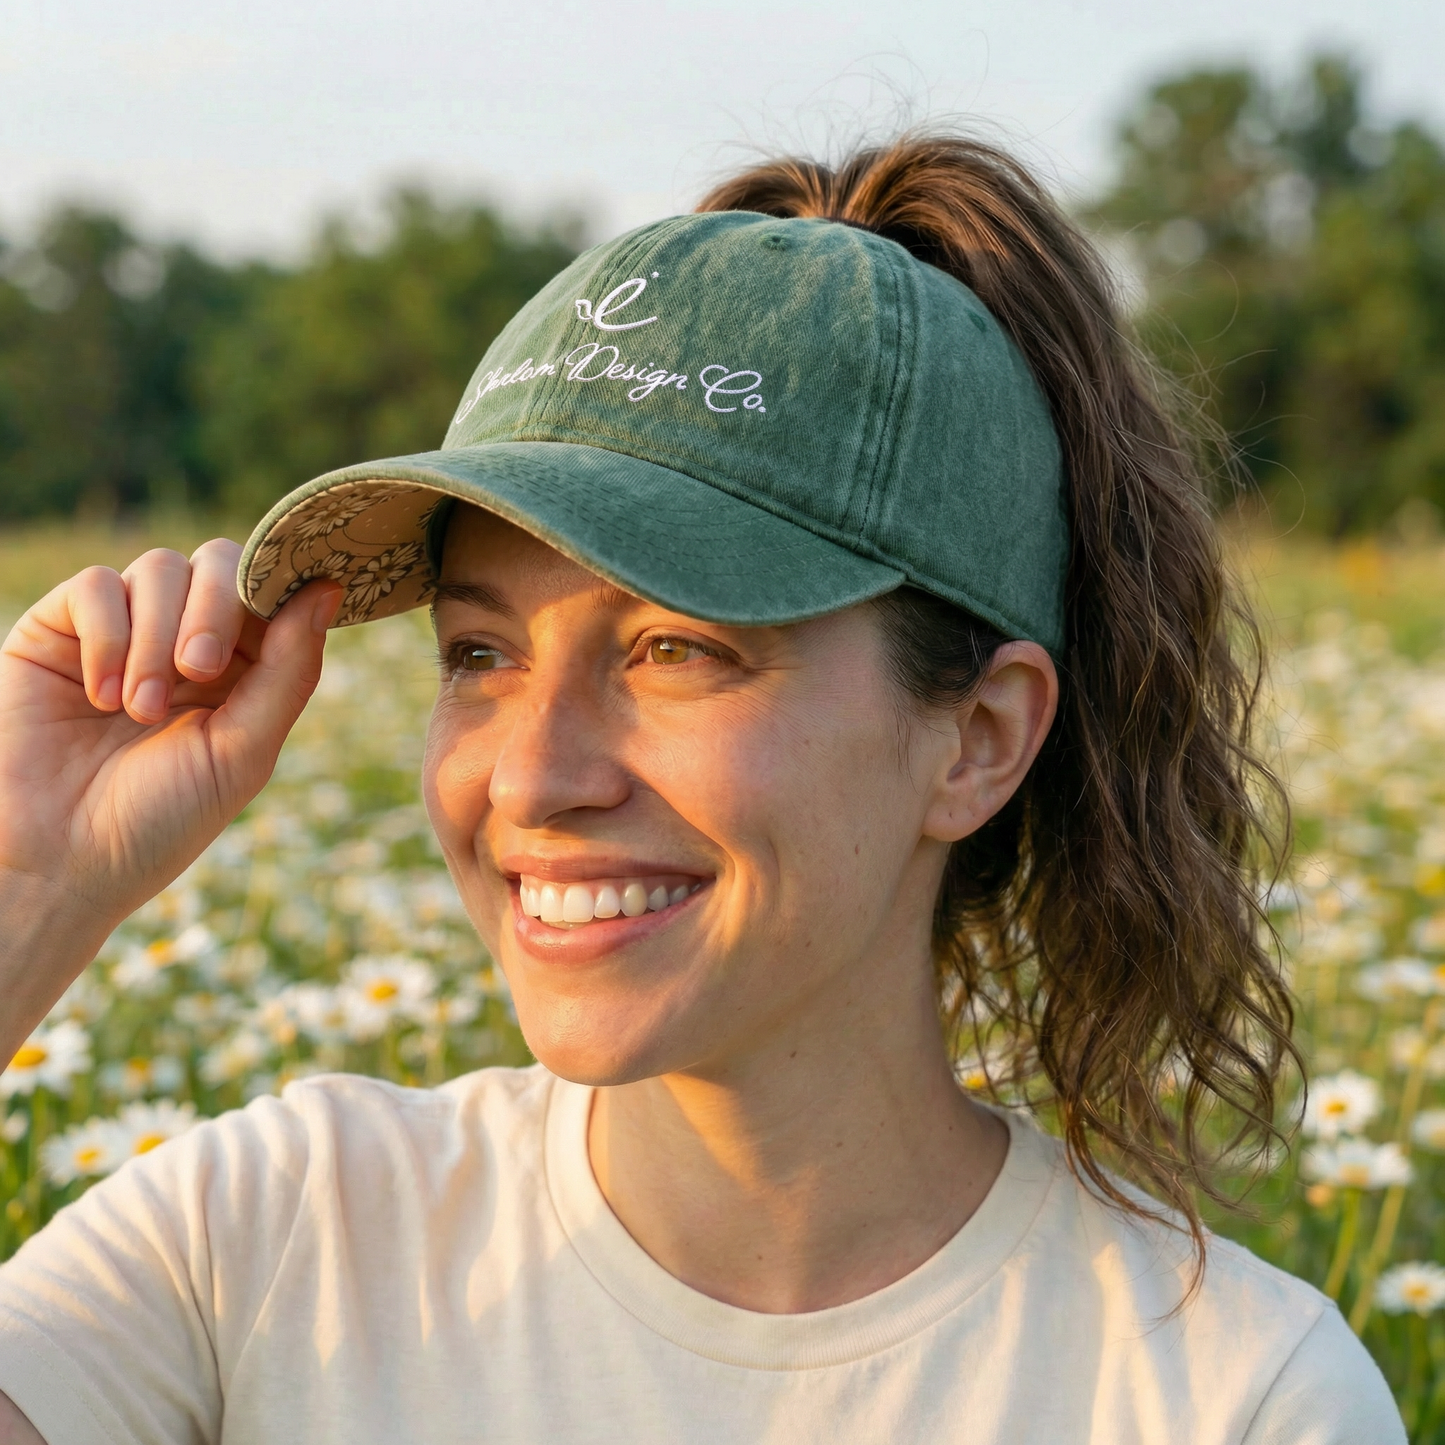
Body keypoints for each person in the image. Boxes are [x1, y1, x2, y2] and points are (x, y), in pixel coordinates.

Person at [0, 135, 1403, 1443]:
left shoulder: (1227, 1397)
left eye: (678, 649)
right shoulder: (267, 1240)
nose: (536, 777)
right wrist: (26, 880)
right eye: (478, 653)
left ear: (978, 739)